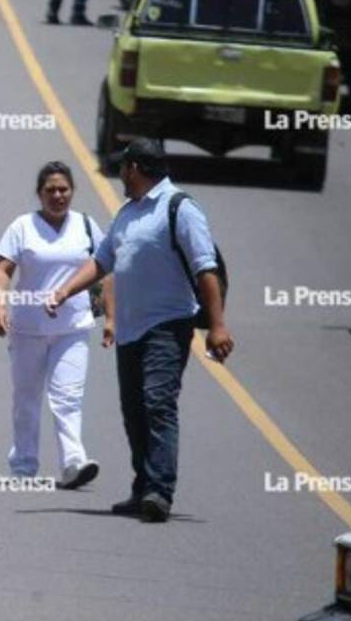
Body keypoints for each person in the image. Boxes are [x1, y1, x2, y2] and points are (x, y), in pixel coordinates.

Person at [46, 139, 235, 522]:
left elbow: (206, 268)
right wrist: (65, 290)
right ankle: (142, 487)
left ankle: (159, 492)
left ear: (135, 167)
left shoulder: (180, 208)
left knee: (157, 404)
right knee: (133, 412)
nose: (119, 176)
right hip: (130, 331)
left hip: (167, 326)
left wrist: (217, 326)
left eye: (122, 168)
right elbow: (101, 263)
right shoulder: (127, 214)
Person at [0, 162, 113, 489]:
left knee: (68, 396)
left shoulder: (85, 226)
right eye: (51, 191)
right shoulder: (23, 226)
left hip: (72, 327)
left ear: (72, 191)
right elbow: (3, 269)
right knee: (26, 397)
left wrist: (111, 319)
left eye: (64, 190)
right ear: (39, 193)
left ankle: (73, 462)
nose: (58, 196)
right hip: (28, 328)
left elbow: (104, 268)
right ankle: (24, 466)